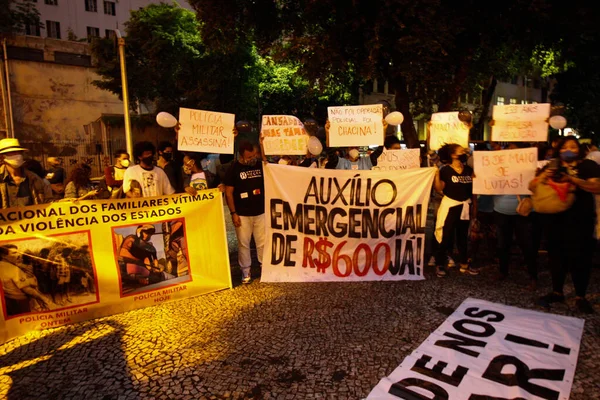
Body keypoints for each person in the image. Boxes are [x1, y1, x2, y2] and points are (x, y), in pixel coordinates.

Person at [531, 137, 600, 313]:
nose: (569, 150)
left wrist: (572, 179)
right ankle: (557, 291)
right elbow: (532, 187)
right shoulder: (552, 166)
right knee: (556, 256)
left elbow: (596, 187)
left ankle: (580, 296)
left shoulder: (587, 166)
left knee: (581, 257)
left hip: (580, 220)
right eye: (565, 147)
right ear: (558, 150)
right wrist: (542, 177)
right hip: (554, 219)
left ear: (580, 150)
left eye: (573, 147)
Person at [492, 143, 537, 289]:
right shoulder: (495, 168)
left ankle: (532, 276)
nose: (512, 153)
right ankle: (503, 271)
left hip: (521, 213)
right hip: (501, 212)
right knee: (502, 244)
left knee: (527, 245)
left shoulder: (529, 169)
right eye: (509, 150)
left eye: (515, 151)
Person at [433, 143, 479, 277]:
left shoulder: (469, 169)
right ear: (453, 154)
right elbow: (439, 188)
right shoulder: (445, 170)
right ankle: (439, 264)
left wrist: (474, 208)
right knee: (445, 236)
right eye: (459, 149)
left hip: (465, 207)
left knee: (462, 236)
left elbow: (473, 190)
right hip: (450, 207)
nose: (462, 150)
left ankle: (464, 263)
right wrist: (436, 175)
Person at [224, 140, 266, 284]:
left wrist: (261, 144)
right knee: (244, 243)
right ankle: (245, 271)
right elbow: (229, 193)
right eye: (249, 157)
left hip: (260, 211)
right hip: (242, 213)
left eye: (254, 155)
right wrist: (233, 213)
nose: (252, 159)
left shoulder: (259, 164)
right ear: (241, 156)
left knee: (262, 242)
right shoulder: (233, 168)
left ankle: (264, 267)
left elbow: (268, 164)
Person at [0, 244, 50, 315]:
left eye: (18, 252)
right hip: (19, 301)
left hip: (8, 299)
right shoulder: (13, 269)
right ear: (3, 256)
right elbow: (26, 289)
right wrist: (42, 298)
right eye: (14, 253)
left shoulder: (3, 266)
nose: (18, 255)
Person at [0, 138, 48, 208]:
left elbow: (47, 201)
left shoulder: (34, 178)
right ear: (2, 156)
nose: (18, 155)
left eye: (19, 152)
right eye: (12, 152)